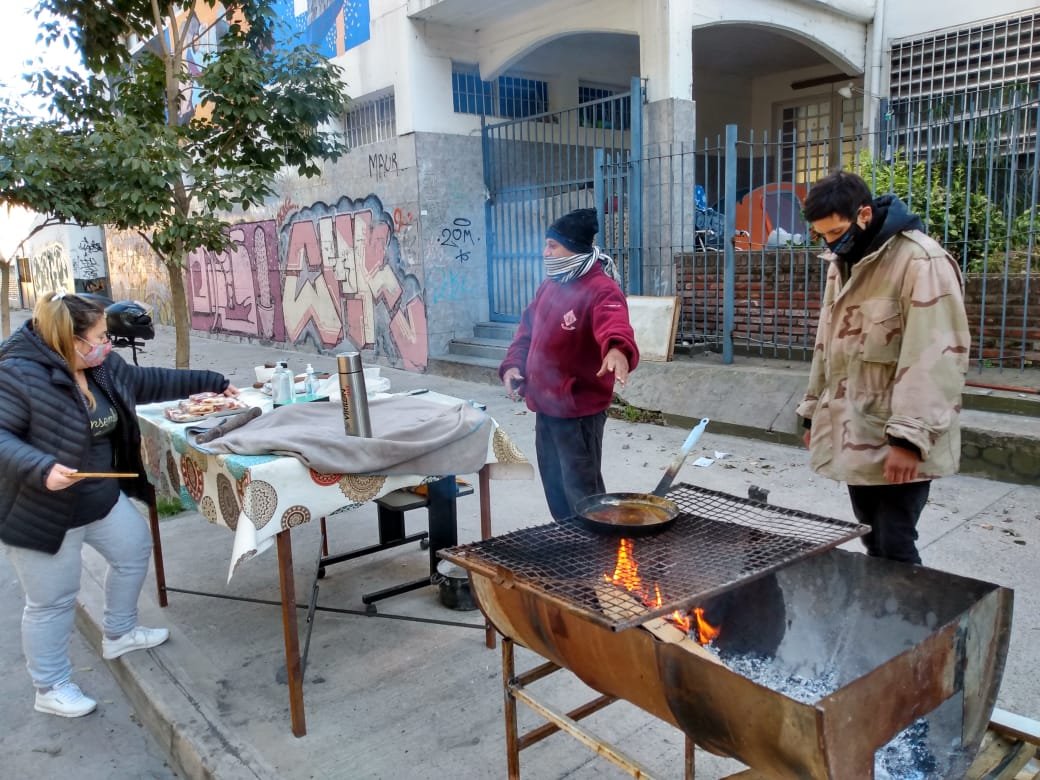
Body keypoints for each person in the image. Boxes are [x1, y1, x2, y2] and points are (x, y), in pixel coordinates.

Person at [0, 292, 239, 718]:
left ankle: (119, 632)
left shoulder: (102, 367)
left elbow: (150, 382)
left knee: (133, 549)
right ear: (71, 340)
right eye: (99, 337)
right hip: (41, 509)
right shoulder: (18, 374)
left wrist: (214, 381)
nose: (107, 345)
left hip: (99, 497)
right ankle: (50, 686)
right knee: (52, 600)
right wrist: (41, 467)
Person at [796, 171, 970, 564]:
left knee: (896, 545)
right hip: (854, 428)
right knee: (873, 537)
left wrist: (908, 440)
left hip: (900, 434)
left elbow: (937, 357)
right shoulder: (843, 261)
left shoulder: (921, 261)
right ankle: (882, 601)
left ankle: (911, 604)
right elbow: (828, 345)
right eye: (822, 235)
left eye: (836, 231)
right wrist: (812, 414)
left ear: (864, 214)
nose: (830, 243)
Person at [499, 208, 640, 520]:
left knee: (584, 495)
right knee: (555, 489)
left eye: (552, 246)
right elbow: (526, 331)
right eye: (546, 245)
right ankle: (568, 539)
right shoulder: (550, 285)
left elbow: (614, 322)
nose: (545, 253)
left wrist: (617, 350)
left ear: (573, 248)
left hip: (578, 412)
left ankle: (596, 546)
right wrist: (513, 365)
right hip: (546, 406)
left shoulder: (601, 288)